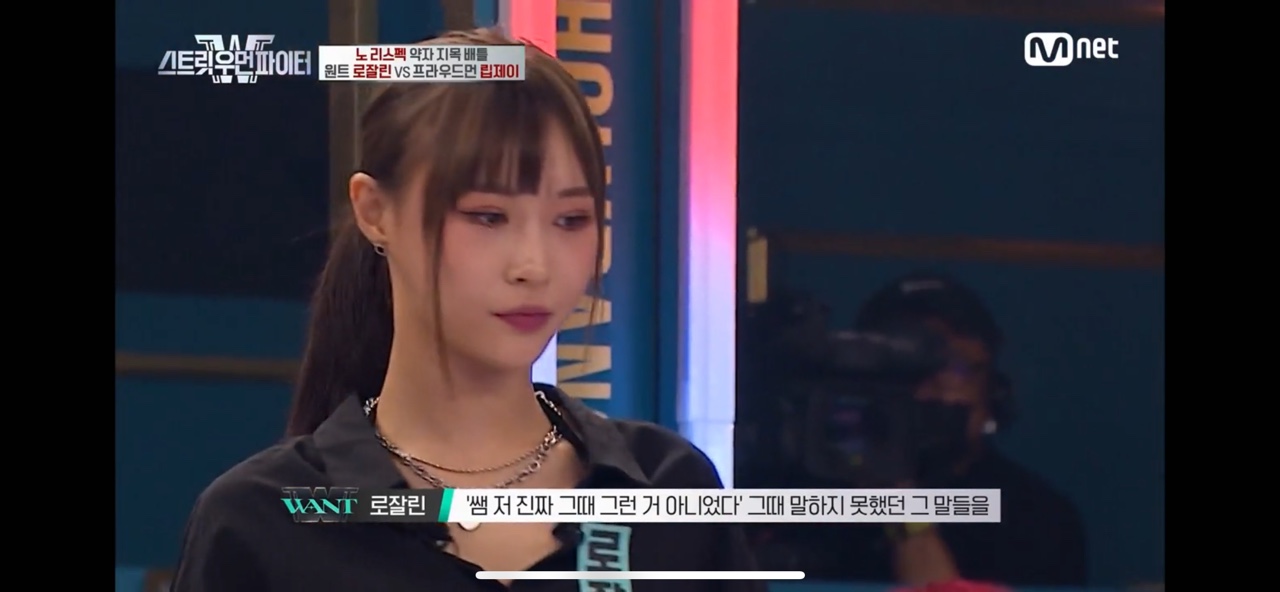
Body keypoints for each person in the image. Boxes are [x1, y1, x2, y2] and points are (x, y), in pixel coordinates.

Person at [172, 29, 762, 592]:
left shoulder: (670, 496)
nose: (534, 265)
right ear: (375, 211)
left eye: (571, 220)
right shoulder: (260, 521)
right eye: (487, 216)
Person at [850, 271, 1089, 587]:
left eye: (953, 368)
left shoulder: (1037, 516)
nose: (928, 390)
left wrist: (903, 515)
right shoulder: (811, 500)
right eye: (903, 369)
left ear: (993, 390)